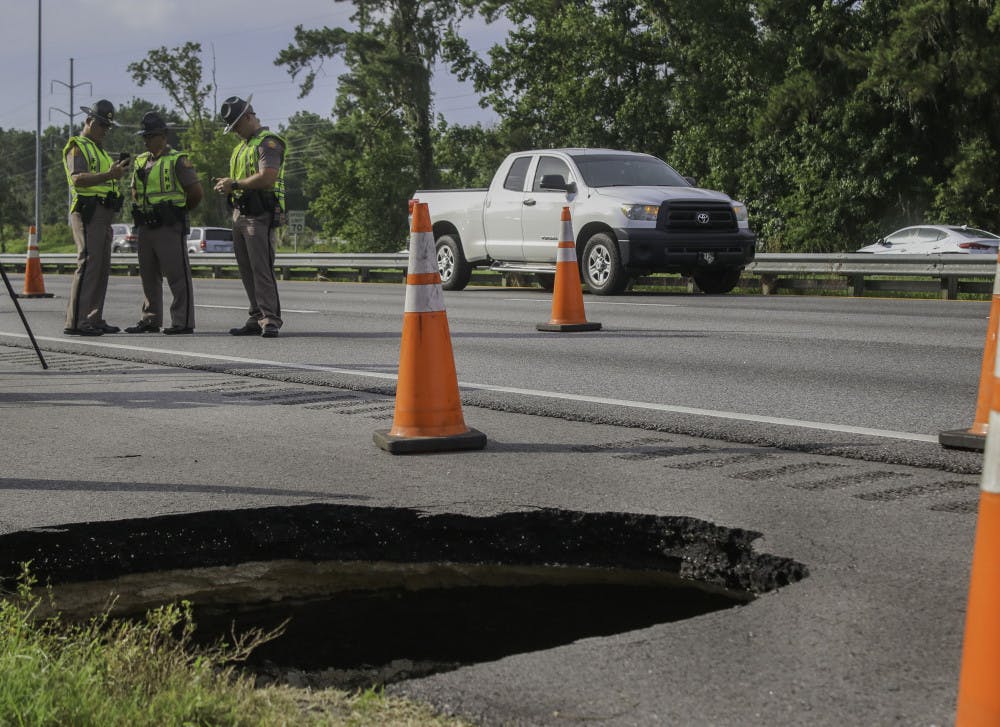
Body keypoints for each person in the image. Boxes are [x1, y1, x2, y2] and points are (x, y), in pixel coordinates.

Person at [212, 95, 286, 338]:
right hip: (240, 213)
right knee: (246, 268)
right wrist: (228, 185)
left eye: (236, 126)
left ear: (247, 117)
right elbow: (241, 182)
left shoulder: (268, 143)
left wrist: (234, 184)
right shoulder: (241, 147)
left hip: (259, 214)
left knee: (261, 267)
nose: (235, 132)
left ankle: (270, 319)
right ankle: (256, 315)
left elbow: (268, 177)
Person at [124, 112, 203, 335]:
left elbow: (196, 192)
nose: (146, 140)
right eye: (145, 136)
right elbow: (134, 190)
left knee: (177, 276)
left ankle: (182, 321)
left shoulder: (178, 160)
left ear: (164, 136)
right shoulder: (140, 160)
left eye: (151, 136)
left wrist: (177, 211)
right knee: (148, 275)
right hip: (146, 226)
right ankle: (150, 319)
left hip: (169, 226)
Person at [62, 99, 129, 336]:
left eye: (107, 126)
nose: (104, 130)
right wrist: (108, 174)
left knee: (101, 267)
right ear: (89, 121)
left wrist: (114, 174)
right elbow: (78, 178)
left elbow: (102, 178)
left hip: (104, 213)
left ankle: (93, 317)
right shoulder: (77, 146)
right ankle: (77, 321)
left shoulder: (98, 149)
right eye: (101, 125)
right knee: (89, 264)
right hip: (88, 212)